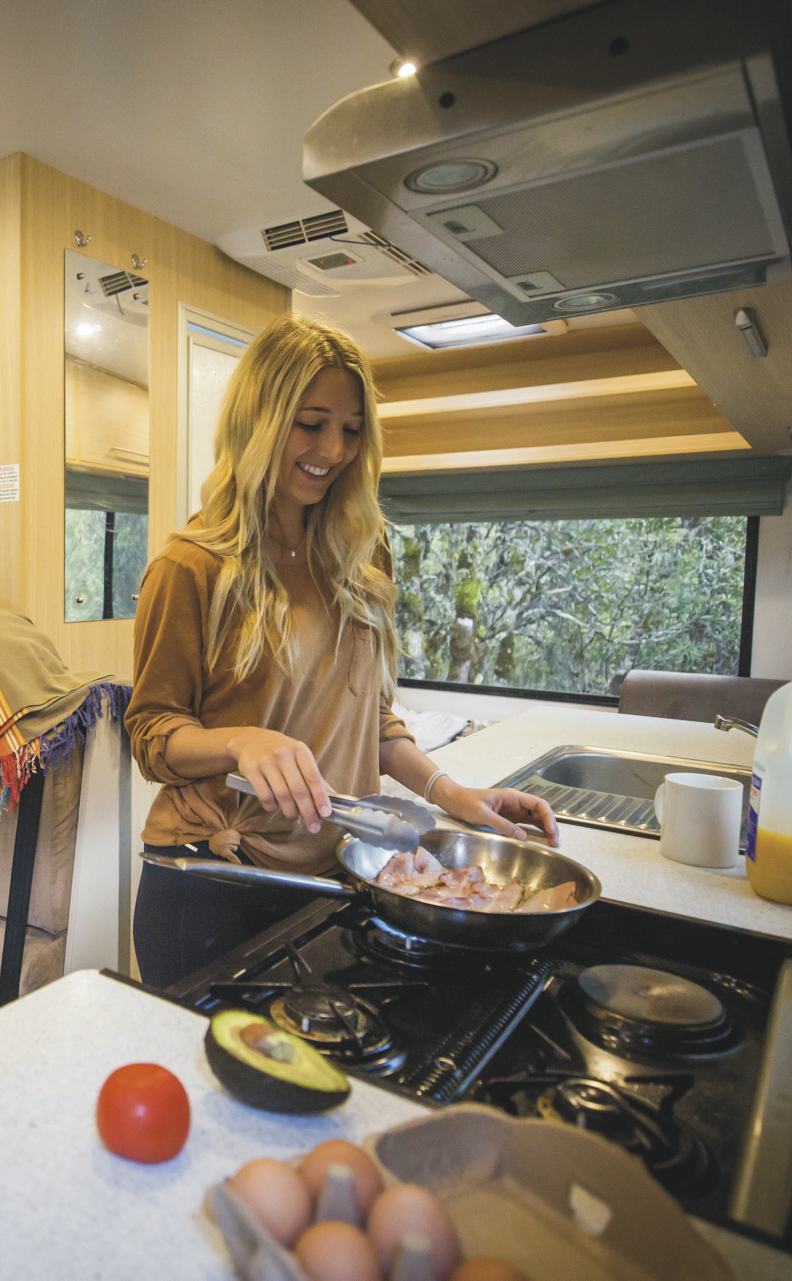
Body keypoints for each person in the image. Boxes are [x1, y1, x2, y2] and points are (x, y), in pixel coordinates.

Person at [126, 313, 558, 988]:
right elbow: (152, 735)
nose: (333, 449)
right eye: (311, 423)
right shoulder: (191, 567)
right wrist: (240, 742)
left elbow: (369, 718)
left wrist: (453, 794)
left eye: (352, 430)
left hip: (335, 875)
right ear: (260, 421)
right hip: (215, 882)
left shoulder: (361, 552)